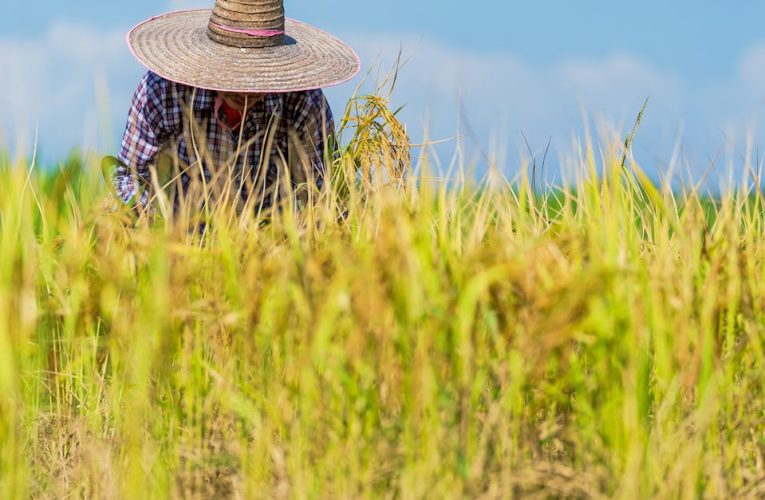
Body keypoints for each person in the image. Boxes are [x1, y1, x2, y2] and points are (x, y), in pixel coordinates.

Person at [114, 0, 360, 213]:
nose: (244, 91)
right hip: (180, 242)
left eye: (257, 76)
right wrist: (155, 229)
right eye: (233, 74)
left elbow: (321, 191)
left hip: (269, 248)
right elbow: (130, 178)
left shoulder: (302, 102)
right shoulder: (163, 91)